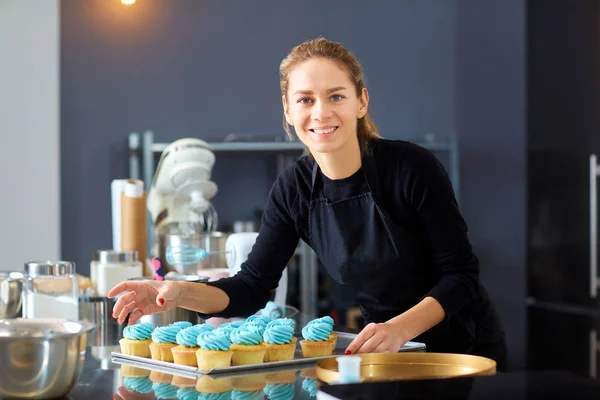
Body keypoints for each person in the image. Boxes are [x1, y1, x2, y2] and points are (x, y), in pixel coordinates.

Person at [108, 37, 508, 371]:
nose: (321, 113)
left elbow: (460, 276)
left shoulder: (411, 168)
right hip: (381, 348)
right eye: (305, 100)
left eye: (336, 96)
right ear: (288, 109)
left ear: (361, 101)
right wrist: (173, 291)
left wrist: (401, 328)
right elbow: (251, 288)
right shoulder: (294, 189)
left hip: (460, 347)